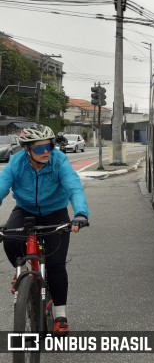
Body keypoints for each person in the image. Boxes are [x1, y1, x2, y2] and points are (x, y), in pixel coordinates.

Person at [0, 125, 89, 337]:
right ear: (27, 150)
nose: (47, 152)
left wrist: (80, 214)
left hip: (55, 212)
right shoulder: (16, 163)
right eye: (40, 149)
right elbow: (1, 188)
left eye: (49, 146)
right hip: (25, 209)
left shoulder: (59, 161)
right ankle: (21, 271)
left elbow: (73, 187)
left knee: (56, 264)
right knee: (10, 240)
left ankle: (60, 315)